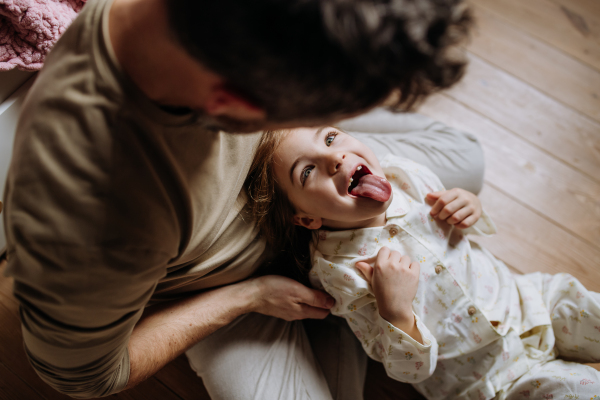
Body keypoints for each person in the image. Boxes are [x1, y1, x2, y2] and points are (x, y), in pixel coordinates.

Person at [2, 0, 480, 398]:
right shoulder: (92, 216)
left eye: (332, 128)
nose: (332, 137)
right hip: (235, 281)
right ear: (239, 108)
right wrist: (246, 297)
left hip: (309, 205)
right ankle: (346, 314)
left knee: (466, 159)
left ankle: (353, 310)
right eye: (322, 116)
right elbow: (85, 375)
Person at [245, 126, 600, 399]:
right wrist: (396, 312)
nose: (335, 158)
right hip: (492, 379)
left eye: (330, 138)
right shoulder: (341, 276)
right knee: (581, 390)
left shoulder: (404, 176)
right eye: (307, 172)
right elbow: (408, 370)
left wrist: (468, 208)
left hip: (531, 302)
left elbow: (465, 232)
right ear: (306, 219)